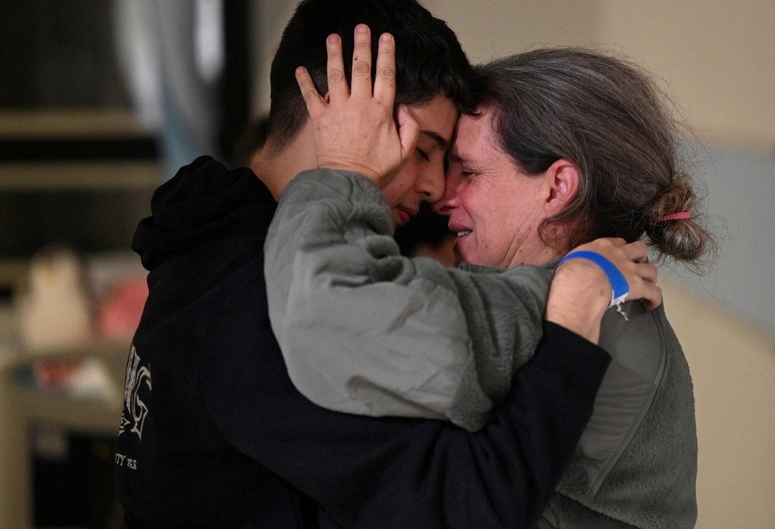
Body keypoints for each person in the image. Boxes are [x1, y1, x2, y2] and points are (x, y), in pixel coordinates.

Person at [115, 0, 660, 527]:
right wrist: (568, 329)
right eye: (424, 150)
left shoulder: (210, 241)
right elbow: (465, 505)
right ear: (342, 111)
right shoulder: (266, 305)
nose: (435, 188)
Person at [266, 47, 712, 527]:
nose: (442, 195)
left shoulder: (562, 304)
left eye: (470, 172)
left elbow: (327, 307)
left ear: (558, 187)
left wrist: (343, 168)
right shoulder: (611, 304)